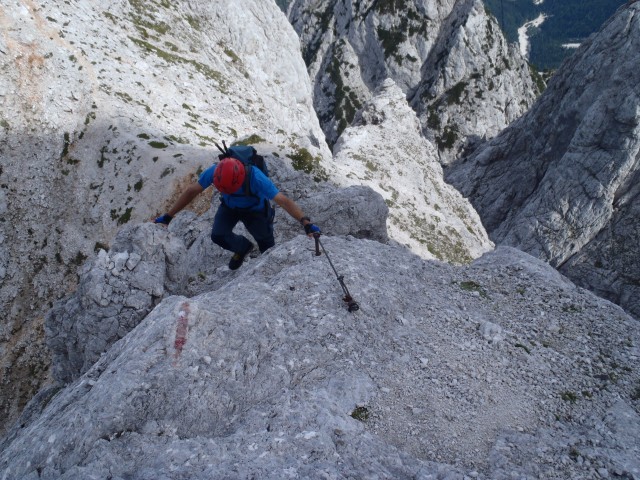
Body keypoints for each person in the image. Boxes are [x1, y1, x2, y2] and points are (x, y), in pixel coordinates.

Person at [154, 156, 320, 270]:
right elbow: (192, 191)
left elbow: (283, 200)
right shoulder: (215, 171)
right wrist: (169, 215)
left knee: (267, 247)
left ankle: (269, 272)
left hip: (256, 211)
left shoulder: (256, 177)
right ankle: (243, 247)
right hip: (229, 207)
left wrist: (305, 222)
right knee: (218, 235)